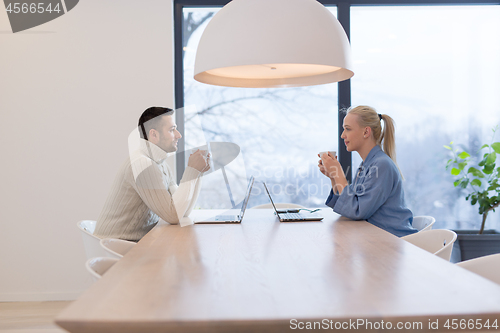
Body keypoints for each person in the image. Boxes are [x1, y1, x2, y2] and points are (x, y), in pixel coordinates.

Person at [94, 107, 210, 241]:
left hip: (130, 244)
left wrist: (197, 173)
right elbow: (173, 216)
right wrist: (192, 170)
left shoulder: (160, 164)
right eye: (172, 130)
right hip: (115, 247)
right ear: (154, 135)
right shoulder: (143, 165)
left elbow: (183, 211)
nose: (179, 135)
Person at [318, 106, 417, 237]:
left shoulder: (382, 165)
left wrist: (338, 173)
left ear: (366, 132)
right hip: (376, 239)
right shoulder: (368, 164)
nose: (343, 135)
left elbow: (357, 211)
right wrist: (333, 177)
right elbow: (350, 206)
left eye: (347, 129)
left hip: (392, 242)